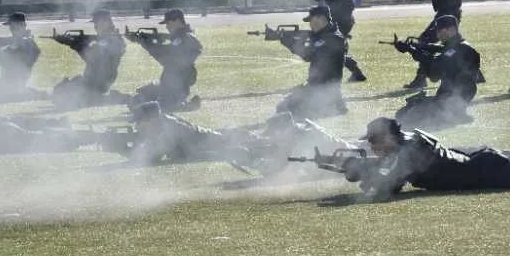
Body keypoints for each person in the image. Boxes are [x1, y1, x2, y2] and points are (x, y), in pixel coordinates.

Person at [341, 117, 510, 200]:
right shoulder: (406, 143)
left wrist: (364, 172)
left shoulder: (409, 151)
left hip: (489, 171)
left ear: (388, 137)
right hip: (483, 163)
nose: (372, 146)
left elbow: (388, 188)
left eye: (374, 141)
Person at [123, 102, 354, 173]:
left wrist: (253, 160)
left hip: (213, 142)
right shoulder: (164, 123)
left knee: (251, 144)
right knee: (254, 144)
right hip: (213, 141)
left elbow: (280, 165)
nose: (140, 125)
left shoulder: (300, 137)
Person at [392, 0, 463, 89]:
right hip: (447, 12)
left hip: (448, 12)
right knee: (440, 44)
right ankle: (425, 78)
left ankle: (422, 79)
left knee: (425, 42)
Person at [394, 15, 481, 126]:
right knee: (405, 111)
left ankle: (456, 116)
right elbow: (439, 49)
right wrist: (418, 46)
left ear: (451, 30)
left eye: (440, 30)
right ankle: (457, 116)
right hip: (448, 97)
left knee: (407, 114)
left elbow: (435, 72)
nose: (437, 34)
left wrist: (412, 50)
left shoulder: (460, 50)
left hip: (451, 99)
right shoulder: (457, 47)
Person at [300, 0, 366, 82]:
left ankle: (325, 78)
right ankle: (356, 73)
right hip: (340, 15)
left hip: (341, 16)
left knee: (331, 46)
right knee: (333, 46)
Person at [275, 5, 347, 119]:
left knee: (289, 110)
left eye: (312, 20)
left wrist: (290, 43)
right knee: (283, 107)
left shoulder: (334, 38)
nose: (310, 24)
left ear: (321, 18)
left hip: (324, 91)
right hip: (315, 88)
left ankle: (334, 106)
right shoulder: (322, 36)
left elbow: (308, 55)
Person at [128, 9, 202, 112]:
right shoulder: (180, 38)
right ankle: (182, 104)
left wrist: (146, 43)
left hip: (176, 85)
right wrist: (146, 41)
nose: (167, 26)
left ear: (177, 21)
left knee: (159, 108)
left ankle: (185, 105)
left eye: (168, 23)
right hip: (167, 83)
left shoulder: (185, 38)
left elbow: (166, 57)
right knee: (137, 100)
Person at [51, 9, 127, 109]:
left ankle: (112, 98)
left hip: (99, 82)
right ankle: (102, 97)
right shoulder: (106, 39)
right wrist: (73, 42)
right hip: (90, 80)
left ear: (106, 22)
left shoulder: (114, 40)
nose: (95, 27)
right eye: (95, 24)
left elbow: (92, 56)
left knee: (66, 97)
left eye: (97, 23)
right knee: (59, 92)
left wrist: (74, 43)